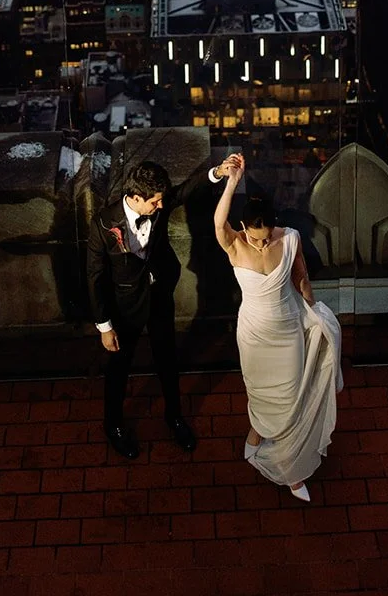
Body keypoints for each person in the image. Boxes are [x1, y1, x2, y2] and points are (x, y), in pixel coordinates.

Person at [87, 153, 239, 459]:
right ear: (135, 197)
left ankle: (175, 417)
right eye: (155, 201)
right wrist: (104, 326)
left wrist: (218, 172)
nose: (160, 206)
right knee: (119, 368)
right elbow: (94, 276)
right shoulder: (103, 224)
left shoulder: (159, 204)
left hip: (158, 297)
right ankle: (113, 425)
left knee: (167, 361)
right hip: (125, 305)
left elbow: (184, 191)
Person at [213, 153, 343, 502]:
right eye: (255, 237)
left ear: (273, 226)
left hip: (287, 330)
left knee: (289, 397)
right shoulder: (234, 244)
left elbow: (301, 278)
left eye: (265, 236)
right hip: (254, 333)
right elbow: (218, 220)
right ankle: (256, 435)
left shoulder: (289, 238)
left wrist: (314, 312)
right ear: (243, 230)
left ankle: (290, 468)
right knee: (259, 392)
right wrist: (231, 183)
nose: (261, 242)